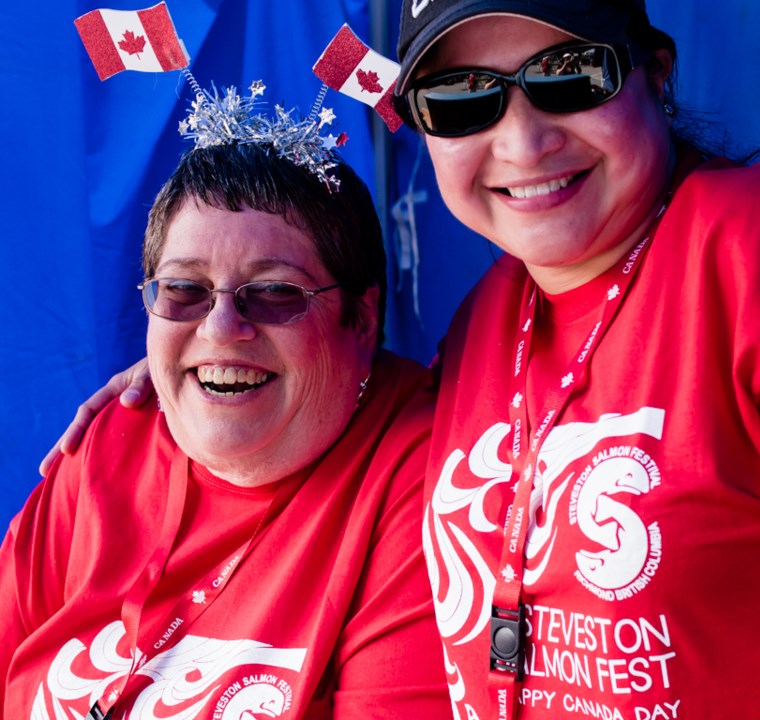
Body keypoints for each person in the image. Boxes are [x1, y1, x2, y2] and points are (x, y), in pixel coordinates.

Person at [45, 2, 760, 719]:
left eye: (570, 75)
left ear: (655, 72)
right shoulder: (491, 319)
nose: (523, 140)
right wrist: (193, 354)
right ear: (423, 128)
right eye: (464, 97)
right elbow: (343, 401)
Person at [5, 83, 450, 720]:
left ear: (361, 316)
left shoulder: (421, 472)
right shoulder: (106, 443)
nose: (220, 329)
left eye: (273, 294)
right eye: (185, 291)